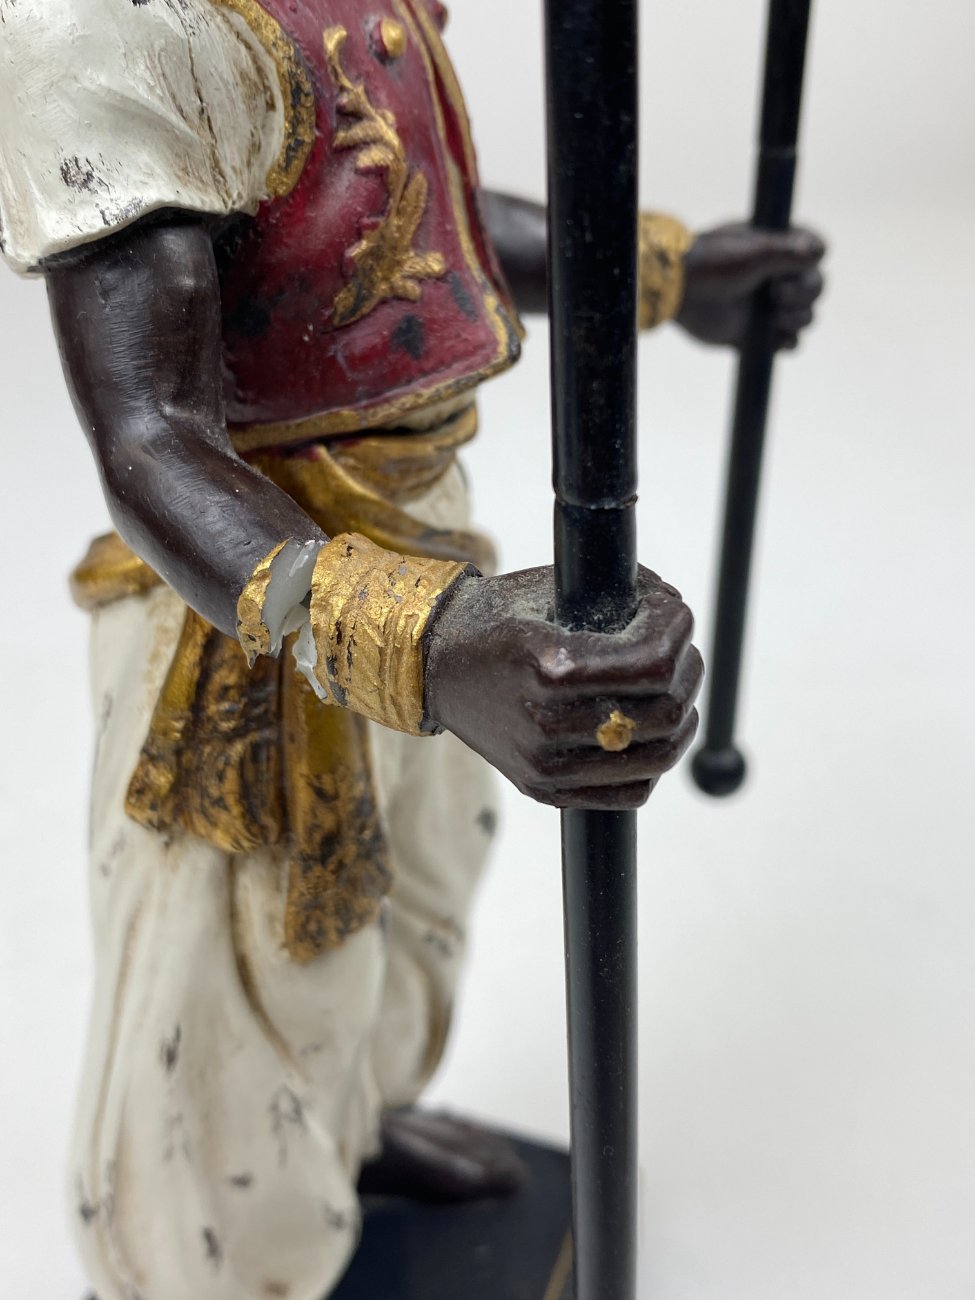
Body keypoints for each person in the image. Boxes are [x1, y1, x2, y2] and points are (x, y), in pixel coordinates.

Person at [0, 1, 824, 1296]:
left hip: (429, 553)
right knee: (231, 999)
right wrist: (425, 641)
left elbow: (404, 222)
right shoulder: (117, 26)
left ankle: (354, 1126)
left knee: (416, 900)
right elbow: (151, 440)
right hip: (254, 623)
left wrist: (661, 273)